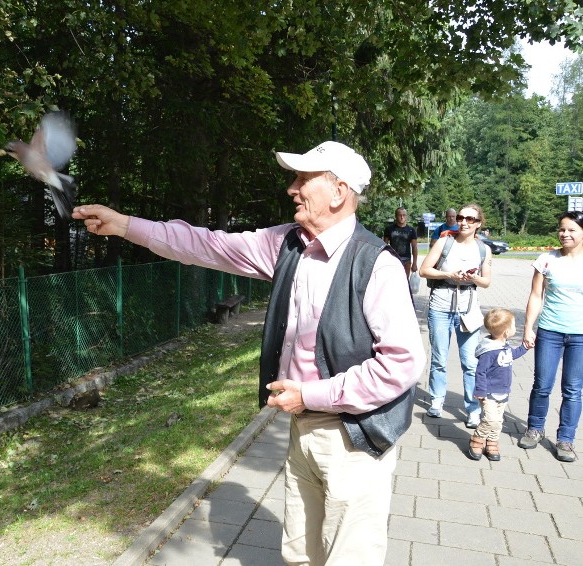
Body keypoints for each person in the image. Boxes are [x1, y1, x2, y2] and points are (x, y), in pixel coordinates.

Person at [73, 141, 425, 565]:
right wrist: (126, 225)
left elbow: (401, 365)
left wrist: (309, 395)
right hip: (302, 427)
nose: (292, 189)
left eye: (303, 179)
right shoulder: (287, 244)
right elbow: (205, 244)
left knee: (349, 555)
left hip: (357, 435)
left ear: (338, 192)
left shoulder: (377, 265)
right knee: (300, 551)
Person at [419, 204, 492, 428]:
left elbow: (486, 282)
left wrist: (472, 278)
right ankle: (437, 400)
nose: (464, 222)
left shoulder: (483, 249)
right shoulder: (444, 242)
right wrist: (448, 274)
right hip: (441, 304)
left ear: (479, 223)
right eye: (461, 218)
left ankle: (472, 408)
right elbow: (424, 270)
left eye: (470, 219)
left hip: (468, 308)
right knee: (439, 358)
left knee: (470, 362)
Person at [518, 211, 583, 463]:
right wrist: (528, 327)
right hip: (550, 331)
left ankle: (565, 439)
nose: (565, 234)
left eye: (571, 230)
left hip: (580, 335)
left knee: (573, 389)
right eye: (561, 229)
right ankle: (535, 428)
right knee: (542, 385)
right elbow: (536, 296)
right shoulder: (547, 259)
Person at [467, 308, 529, 461]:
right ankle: (477, 438)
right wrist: (480, 390)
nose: (516, 328)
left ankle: (492, 441)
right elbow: (480, 372)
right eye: (514, 325)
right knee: (490, 419)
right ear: (507, 332)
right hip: (488, 392)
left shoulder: (504, 346)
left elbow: (511, 355)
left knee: (498, 420)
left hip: (503, 391)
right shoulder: (489, 351)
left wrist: (524, 348)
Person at [383, 207, 419, 275]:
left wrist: (414, 263)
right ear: (396, 216)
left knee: (405, 282)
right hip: (393, 259)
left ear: (406, 216)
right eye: (400, 215)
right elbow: (385, 246)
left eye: (404, 215)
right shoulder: (389, 229)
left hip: (406, 260)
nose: (402, 217)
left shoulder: (411, 230)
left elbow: (414, 247)